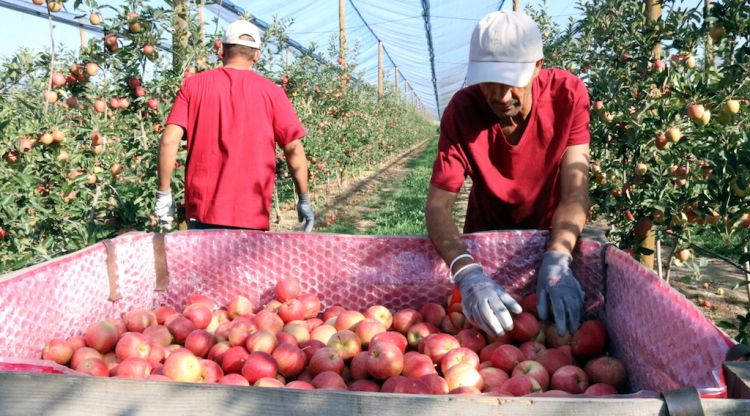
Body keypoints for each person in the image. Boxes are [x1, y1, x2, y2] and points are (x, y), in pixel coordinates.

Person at [425, 11, 590, 338]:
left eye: (510, 82)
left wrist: (557, 258)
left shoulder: (567, 96)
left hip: (550, 238)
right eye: (488, 82)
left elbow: (575, 191)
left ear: (537, 67)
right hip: (485, 246)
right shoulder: (463, 110)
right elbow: (437, 206)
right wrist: (467, 272)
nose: (499, 96)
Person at [154, 19, 314, 232]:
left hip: (203, 209)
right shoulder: (273, 93)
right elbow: (293, 149)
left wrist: (164, 195)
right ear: (256, 55)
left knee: (204, 266)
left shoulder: (193, 85)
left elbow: (169, 140)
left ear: (221, 50)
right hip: (251, 212)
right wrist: (303, 197)